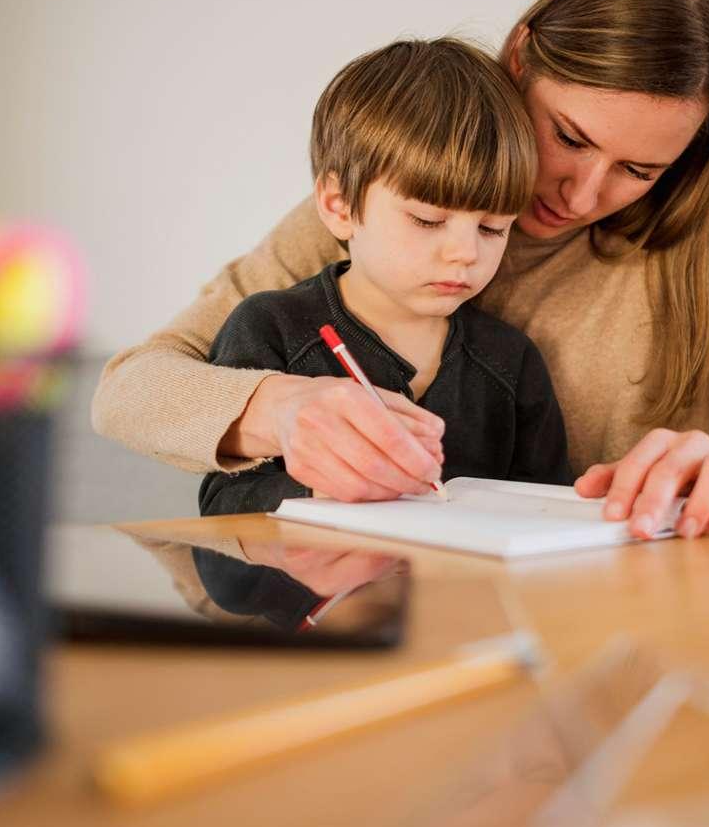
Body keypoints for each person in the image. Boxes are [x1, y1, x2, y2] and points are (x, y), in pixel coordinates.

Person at [92, 0, 709, 539]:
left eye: (638, 168)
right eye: (567, 135)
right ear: (522, 55)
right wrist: (279, 410)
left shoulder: (707, 252)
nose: (581, 192)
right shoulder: (389, 199)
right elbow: (130, 389)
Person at [197, 38, 572, 516]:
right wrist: (325, 494)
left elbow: (548, 510)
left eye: (493, 227)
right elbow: (223, 508)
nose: (465, 253)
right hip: (320, 588)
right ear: (339, 206)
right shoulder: (270, 329)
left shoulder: (512, 361)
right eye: (427, 220)